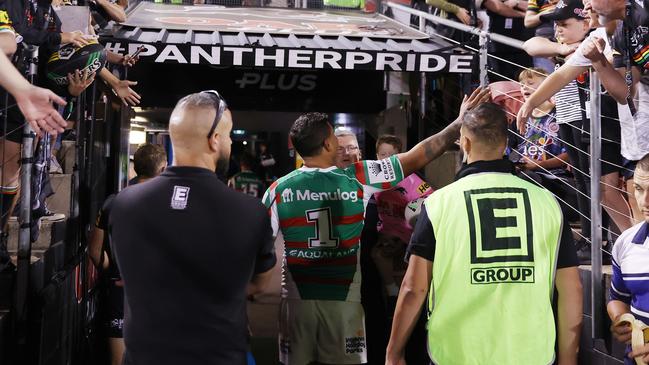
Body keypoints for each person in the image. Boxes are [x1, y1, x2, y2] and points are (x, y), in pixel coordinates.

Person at [262, 87, 490, 365]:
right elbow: (418, 156)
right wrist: (457, 125)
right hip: (344, 301)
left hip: (295, 302)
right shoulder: (358, 176)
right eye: (334, 136)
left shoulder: (278, 189)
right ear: (327, 145)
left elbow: (259, 247)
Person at [386, 103, 583, 365]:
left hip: (456, 353)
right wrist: (568, 361)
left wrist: (394, 353)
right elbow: (571, 289)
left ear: (465, 143)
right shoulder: (548, 203)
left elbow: (414, 288)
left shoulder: (438, 204)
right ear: (506, 144)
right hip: (531, 353)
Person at [109, 91, 276, 365]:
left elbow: (129, 269)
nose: (231, 143)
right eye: (229, 135)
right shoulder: (250, 210)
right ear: (214, 140)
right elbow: (259, 283)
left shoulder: (124, 203)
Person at [519, 0, 632, 247]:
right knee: (587, 182)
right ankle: (602, 241)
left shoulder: (603, 39)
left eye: (564, 24)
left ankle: (612, 242)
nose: (558, 29)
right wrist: (562, 49)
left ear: (584, 22)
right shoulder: (568, 45)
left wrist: (590, 57)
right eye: (556, 25)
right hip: (571, 116)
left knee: (608, 186)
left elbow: (622, 85)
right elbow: (530, 44)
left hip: (601, 118)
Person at [89, 143, 166, 365]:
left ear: (135, 167)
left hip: (119, 291)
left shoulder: (113, 202)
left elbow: (94, 251)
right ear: (162, 170)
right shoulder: (171, 205)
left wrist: (111, 270)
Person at [371, 135, 433, 307]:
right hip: (385, 234)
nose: (386, 159)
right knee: (378, 254)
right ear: (376, 156)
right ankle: (391, 293)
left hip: (408, 237)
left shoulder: (411, 179)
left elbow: (431, 200)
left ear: (400, 156)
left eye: (392, 155)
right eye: (382, 154)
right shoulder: (371, 181)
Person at [608, 153, 649, 365]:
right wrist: (619, 319)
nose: (645, 201)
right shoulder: (626, 242)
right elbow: (617, 297)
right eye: (639, 189)